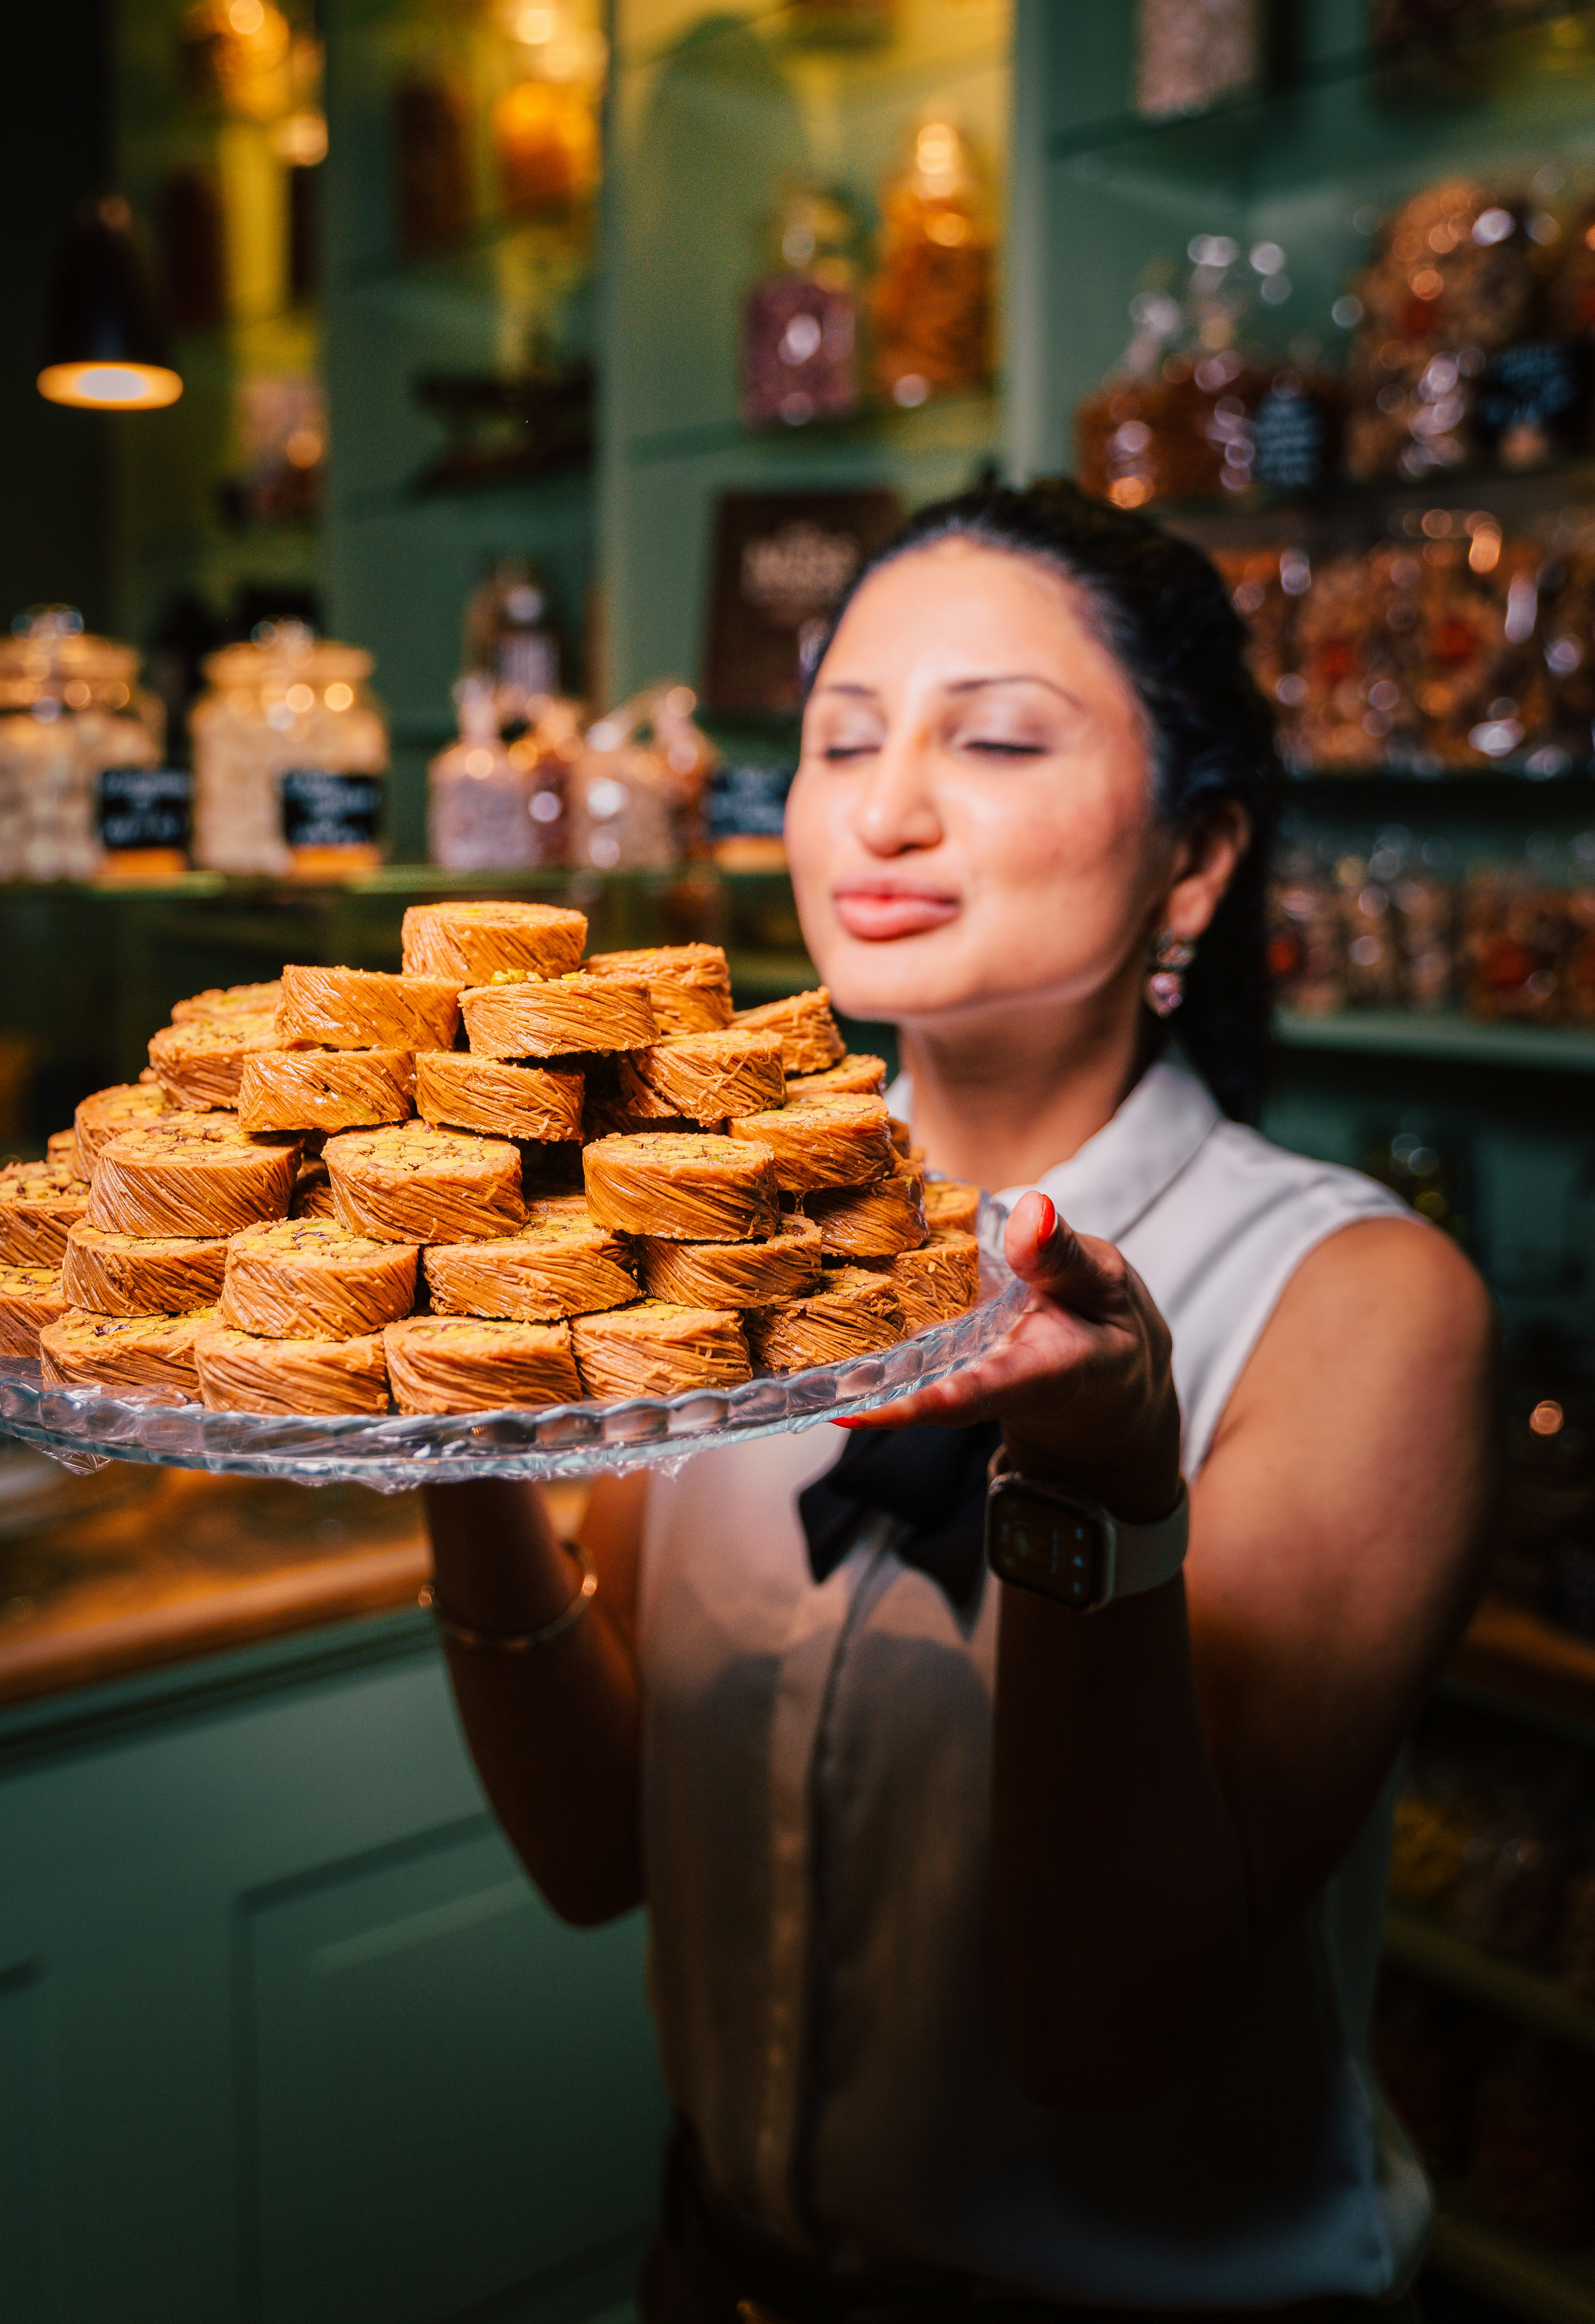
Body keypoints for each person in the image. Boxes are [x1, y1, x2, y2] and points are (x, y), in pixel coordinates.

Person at [423, 482, 1497, 2321]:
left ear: (1195, 861)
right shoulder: (705, 1234)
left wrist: (1101, 1486)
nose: (879, 807)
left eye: (992, 737)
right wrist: (449, 1407)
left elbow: (1105, 2027)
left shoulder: (1354, 1306)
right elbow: (598, 1853)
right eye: (838, 737)